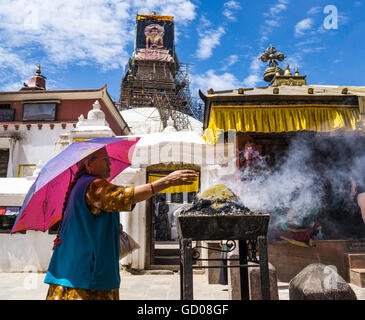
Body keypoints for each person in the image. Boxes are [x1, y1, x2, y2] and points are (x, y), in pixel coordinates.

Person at [44, 147, 197, 300]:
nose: (110, 164)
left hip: (71, 272)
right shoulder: (93, 185)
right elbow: (125, 196)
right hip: (84, 278)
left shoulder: (81, 186)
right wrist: (167, 181)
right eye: (105, 159)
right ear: (89, 164)